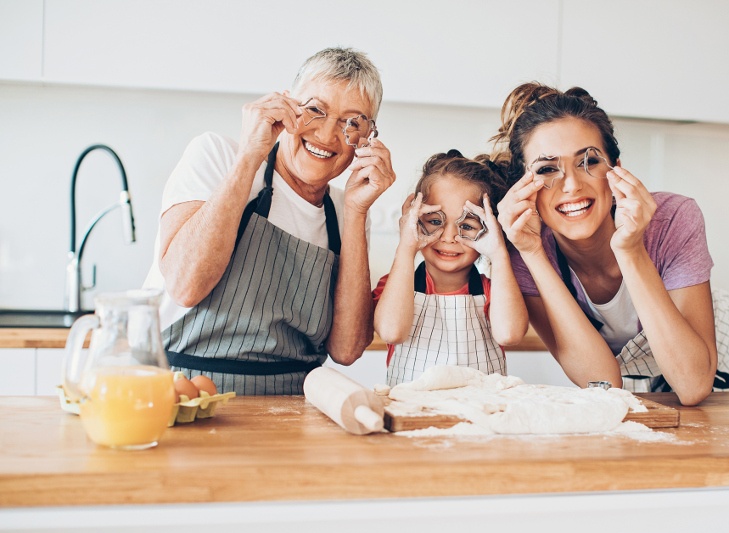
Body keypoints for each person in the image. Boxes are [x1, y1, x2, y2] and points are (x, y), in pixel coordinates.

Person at [142, 47, 395, 395]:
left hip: (290, 410)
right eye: (315, 110)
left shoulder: (346, 211)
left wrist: (356, 213)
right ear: (287, 105)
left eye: (352, 122)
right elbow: (185, 286)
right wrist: (249, 155)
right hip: (180, 394)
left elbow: (347, 350)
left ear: (367, 137)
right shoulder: (218, 156)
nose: (326, 134)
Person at [492, 83, 729, 405]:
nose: (572, 185)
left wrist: (631, 249)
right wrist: (532, 252)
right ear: (523, 187)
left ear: (615, 168)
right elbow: (602, 381)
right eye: (547, 169)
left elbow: (693, 384)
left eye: (589, 161)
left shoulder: (672, 219)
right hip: (637, 372)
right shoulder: (526, 250)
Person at [373, 150, 529, 386]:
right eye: (435, 221)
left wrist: (498, 252)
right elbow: (391, 332)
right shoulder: (397, 284)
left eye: (466, 225)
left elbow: (510, 334)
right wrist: (407, 246)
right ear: (415, 219)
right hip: (411, 414)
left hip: (480, 414)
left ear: (489, 229)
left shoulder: (492, 291)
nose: (449, 237)